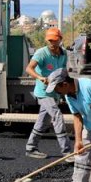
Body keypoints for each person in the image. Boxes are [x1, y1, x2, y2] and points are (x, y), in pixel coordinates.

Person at [24, 27, 72, 159]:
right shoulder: (41, 53)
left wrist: (65, 89)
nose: (51, 43)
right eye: (49, 40)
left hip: (55, 91)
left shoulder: (63, 54)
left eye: (54, 40)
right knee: (57, 116)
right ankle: (67, 152)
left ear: (60, 40)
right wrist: (39, 77)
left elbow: (63, 71)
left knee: (43, 121)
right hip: (43, 91)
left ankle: (31, 148)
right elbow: (29, 68)